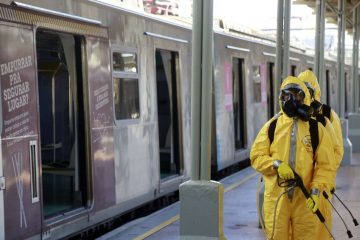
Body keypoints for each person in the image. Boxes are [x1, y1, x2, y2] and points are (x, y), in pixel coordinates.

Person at [250, 76, 337, 240]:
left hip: (305, 199)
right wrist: (276, 164)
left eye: (296, 95)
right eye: (285, 96)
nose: (289, 100)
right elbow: (256, 156)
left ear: (304, 97)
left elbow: (326, 166)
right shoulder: (272, 127)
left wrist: (316, 191)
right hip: (277, 199)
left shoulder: (315, 129)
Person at [298, 70, 344, 240]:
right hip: (299, 189)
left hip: (322, 188)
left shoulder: (328, 116)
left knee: (320, 231)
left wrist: (322, 179)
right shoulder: (295, 118)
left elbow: (337, 152)